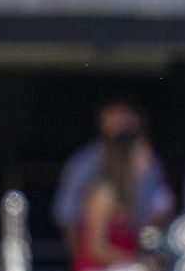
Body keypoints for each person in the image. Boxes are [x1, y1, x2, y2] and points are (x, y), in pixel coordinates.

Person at [51, 100, 175, 254]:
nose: (146, 159)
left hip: (127, 261)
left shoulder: (152, 166)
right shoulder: (100, 188)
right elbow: (70, 220)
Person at [69, 131, 152, 271]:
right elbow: (95, 249)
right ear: (126, 156)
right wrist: (137, 260)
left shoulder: (127, 195)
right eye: (142, 151)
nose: (148, 157)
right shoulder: (104, 193)